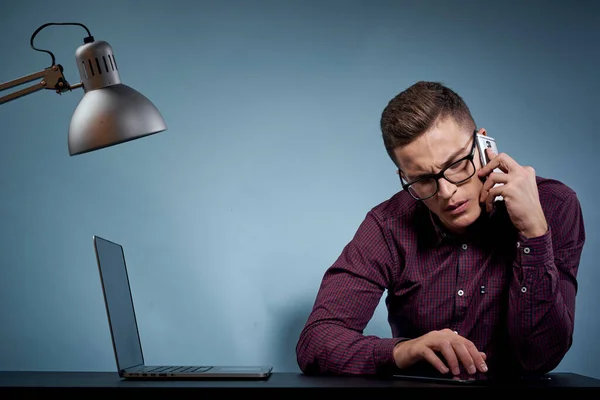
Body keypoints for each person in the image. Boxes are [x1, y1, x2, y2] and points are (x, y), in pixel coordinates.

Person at [295, 81, 585, 381]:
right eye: (422, 179)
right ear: (404, 176)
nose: (446, 192)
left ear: (484, 147)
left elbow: (542, 356)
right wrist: (406, 350)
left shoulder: (552, 205)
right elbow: (315, 342)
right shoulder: (387, 224)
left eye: (457, 164)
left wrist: (533, 233)